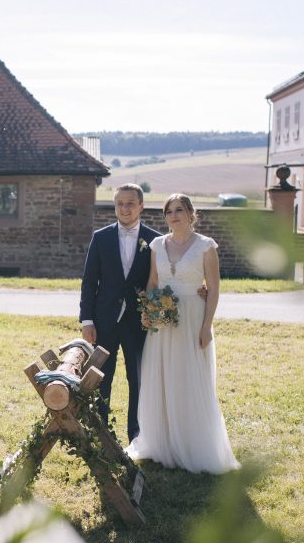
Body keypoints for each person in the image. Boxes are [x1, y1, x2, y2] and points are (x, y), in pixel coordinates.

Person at [125, 194, 239, 474]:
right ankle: (163, 442)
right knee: (162, 377)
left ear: (191, 213)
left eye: (179, 210)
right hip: (162, 322)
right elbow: (153, 281)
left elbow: (213, 288)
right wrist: (150, 310)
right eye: (169, 212)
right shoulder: (156, 245)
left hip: (192, 319)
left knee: (189, 377)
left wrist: (206, 327)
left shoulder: (205, 247)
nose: (174, 216)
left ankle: (191, 443)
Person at [79, 183, 161, 442]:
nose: (124, 209)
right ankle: (101, 432)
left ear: (141, 206)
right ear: (114, 206)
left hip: (139, 321)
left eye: (130, 203)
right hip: (104, 320)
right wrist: (87, 320)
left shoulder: (155, 240)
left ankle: (136, 435)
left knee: (137, 378)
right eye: (119, 204)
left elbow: (163, 279)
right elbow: (89, 280)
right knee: (102, 377)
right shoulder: (100, 237)